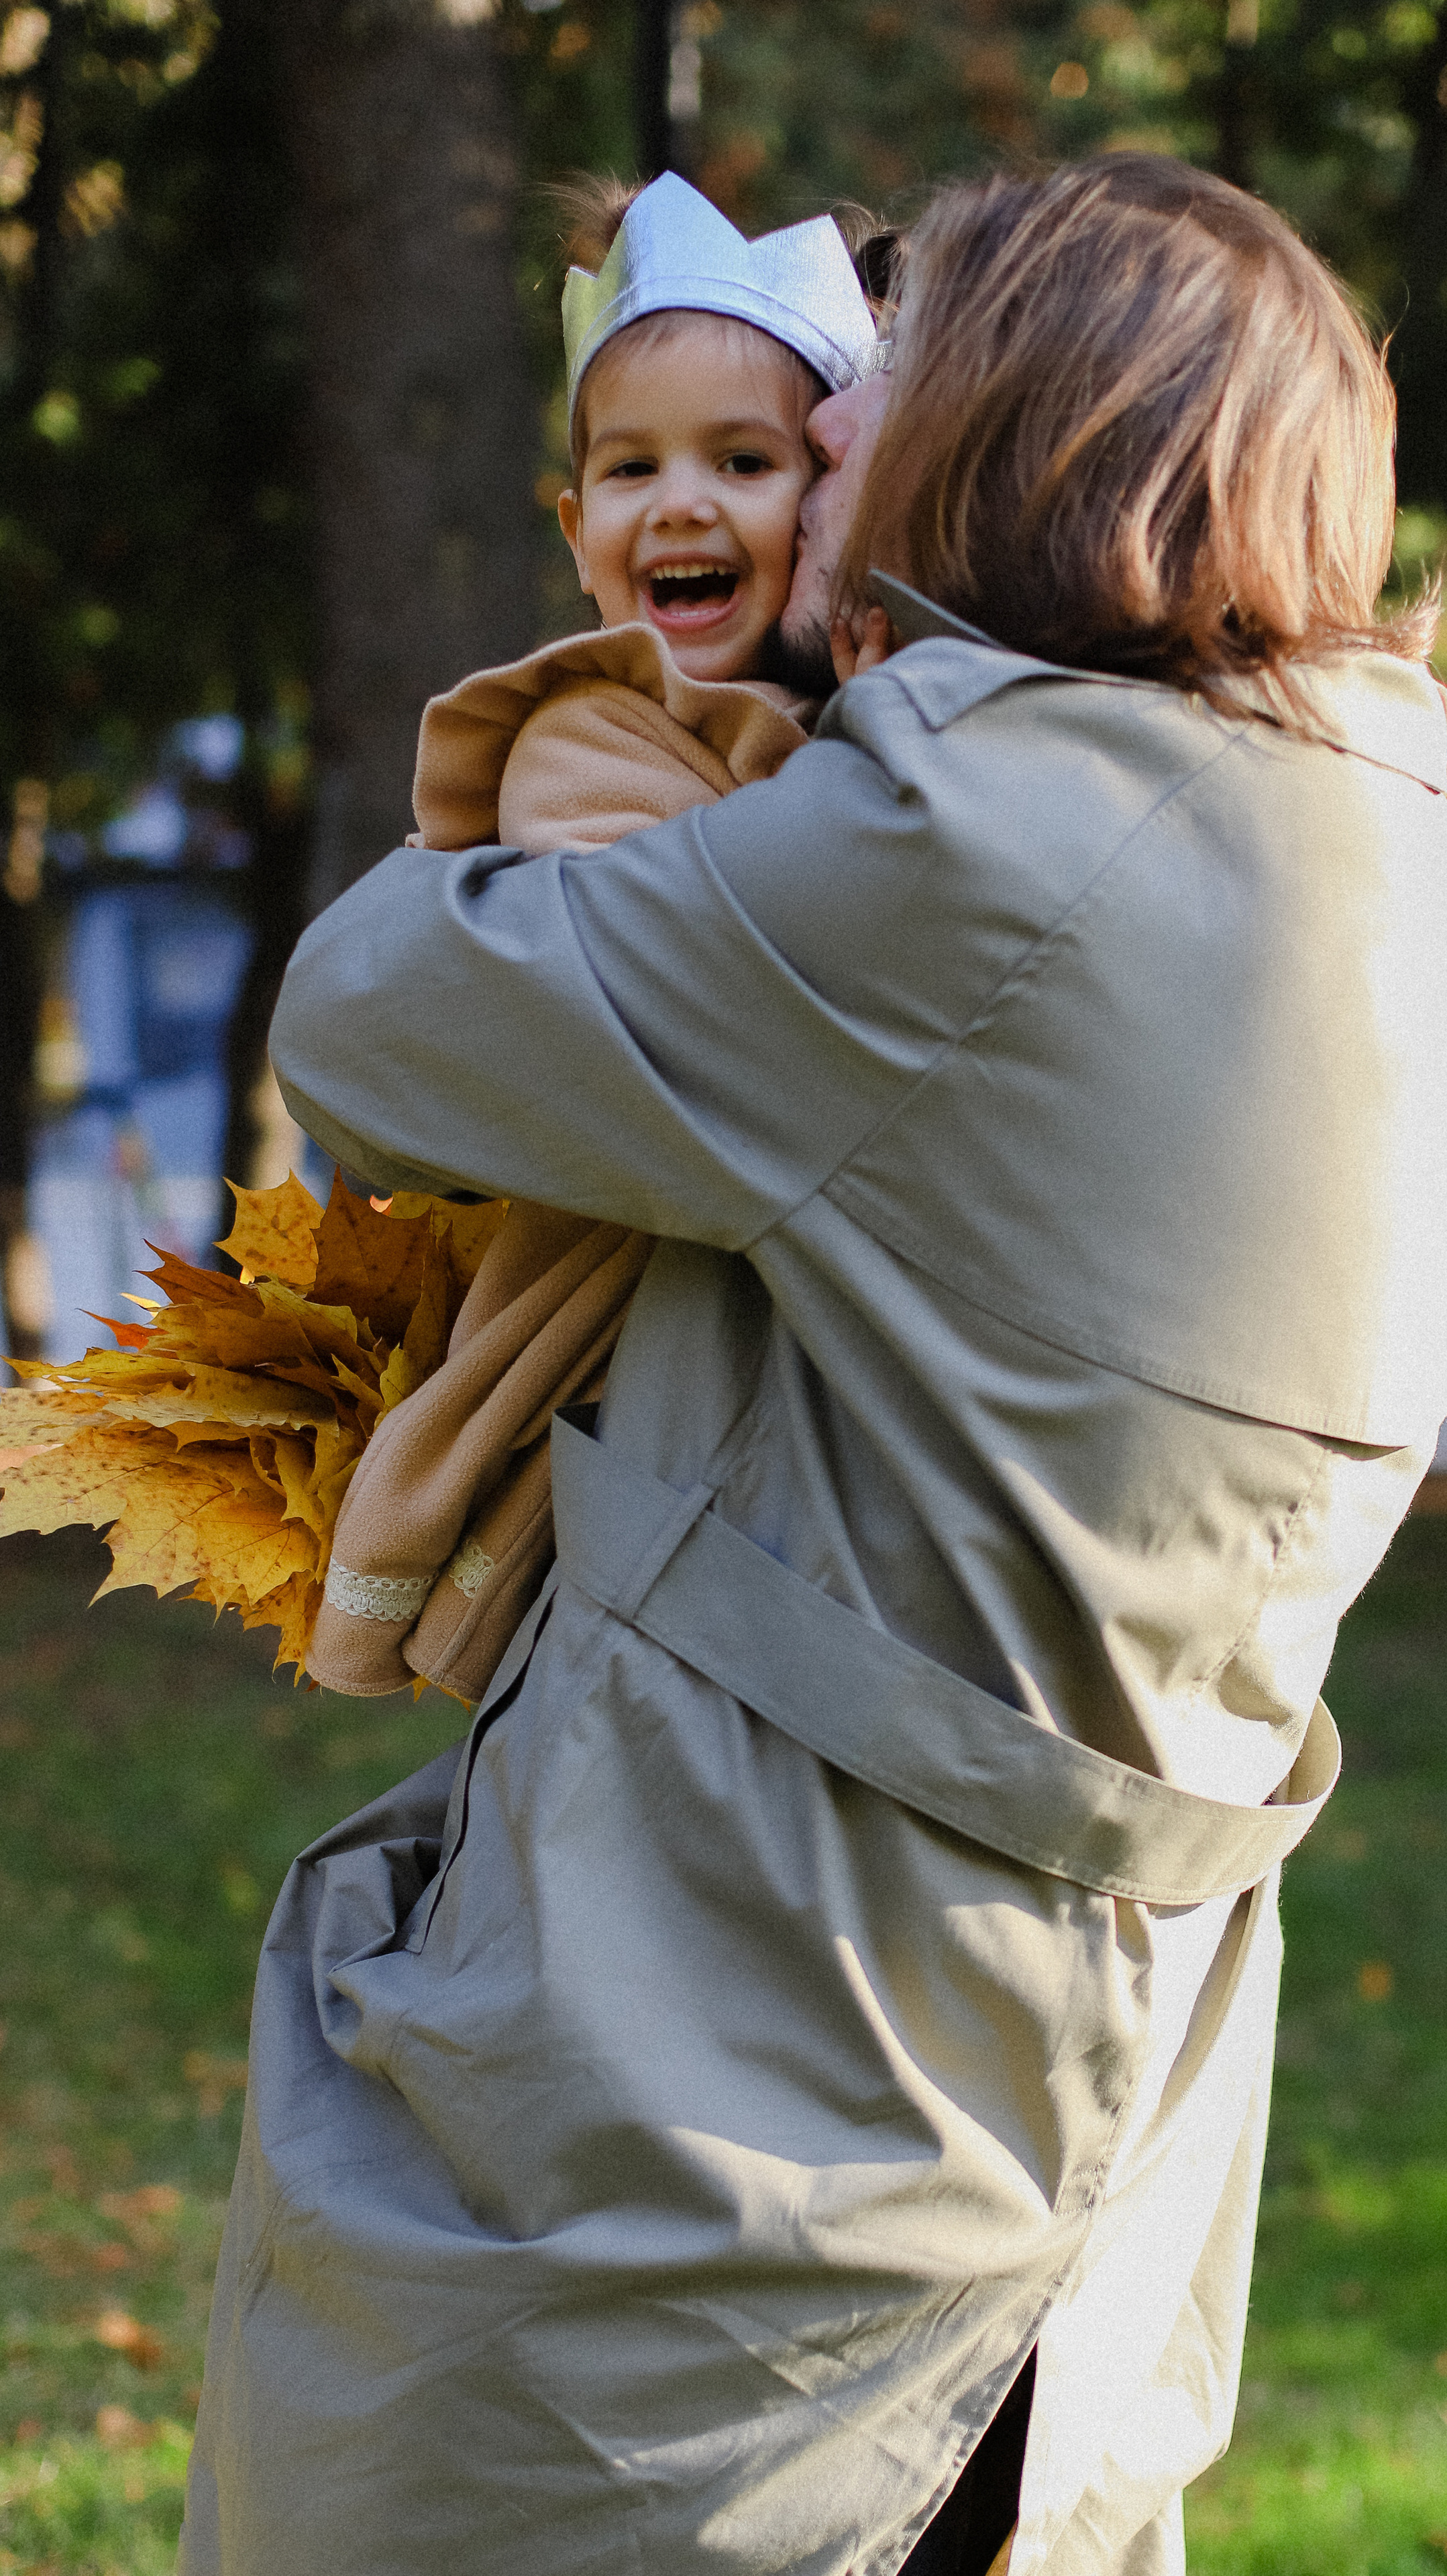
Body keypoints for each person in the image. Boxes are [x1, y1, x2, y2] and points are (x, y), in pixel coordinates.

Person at [182, 155, 1447, 2576]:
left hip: (744, 2076)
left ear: (1024, 421)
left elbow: (377, 1022)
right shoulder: (1395, 854)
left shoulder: (987, 833)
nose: (816, 426)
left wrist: (625, 743)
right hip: (1069, 2093)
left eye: (867, 381)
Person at [307, 172, 883, 1700]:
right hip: (628, 1262)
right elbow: (666, 983)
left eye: (741, 460)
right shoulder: (594, 735)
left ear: (830, 510)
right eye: (629, 471)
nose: (678, 503)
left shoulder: (842, 724)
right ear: (577, 532)